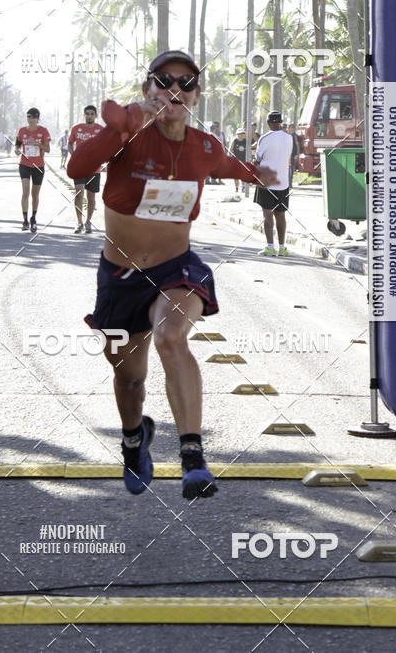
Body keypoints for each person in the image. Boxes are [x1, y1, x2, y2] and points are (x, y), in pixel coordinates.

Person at [67, 50, 276, 500]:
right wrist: (119, 129)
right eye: (163, 81)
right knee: (129, 380)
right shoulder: (128, 138)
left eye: (186, 82)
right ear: (147, 90)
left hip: (175, 270)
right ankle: (133, 438)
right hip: (121, 277)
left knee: (171, 336)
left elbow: (228, 166)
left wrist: (259, 174)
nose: (174, 89)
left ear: (196, 95)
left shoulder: (204, 146)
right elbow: (77, 169)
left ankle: (192, 457)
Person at [254, 111, 293, 257]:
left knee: (267, 213)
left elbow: (258, 159)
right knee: (281, 215)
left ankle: (270, 247)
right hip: (283, 182)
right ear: (281, 122)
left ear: (268, 122)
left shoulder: (264, 138)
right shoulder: (289, 138)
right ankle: (282, 248)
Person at [15, 107, 51, 233]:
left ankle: (33, 218)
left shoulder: (43, 131)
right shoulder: (22, 130)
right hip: (24, 164)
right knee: (25, 192)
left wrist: (37, 144)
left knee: (35, 194)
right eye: (28, 117)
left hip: (38, 166)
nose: (29, 119)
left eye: (32, 117)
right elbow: (18, 143)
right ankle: (25, 220)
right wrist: (16, 149)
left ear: (37, 118)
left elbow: (48, 149)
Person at [69, 106, 104, 234]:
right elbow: (70, 143)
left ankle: (88, 222)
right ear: (84, 115)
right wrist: (74, 155)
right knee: (79, 194)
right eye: (87, 114)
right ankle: (79, 223)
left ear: (96, 115)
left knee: (91, 197)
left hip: (94, 168)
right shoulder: (76, 128)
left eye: (92, 114)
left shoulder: (101, 130)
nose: (89, 116)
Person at [229, 127, 247, 193]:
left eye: (242, 134)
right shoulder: (234, 141)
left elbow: (249, 150)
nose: (241, 135)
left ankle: (243, 186)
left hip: (244, 160)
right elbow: (230, 150)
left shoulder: (246, 141)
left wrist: (250, 158)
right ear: (237, 134)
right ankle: (236, 187)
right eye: (239, 134)